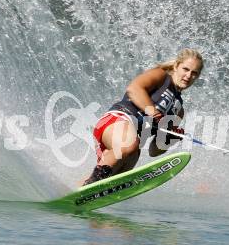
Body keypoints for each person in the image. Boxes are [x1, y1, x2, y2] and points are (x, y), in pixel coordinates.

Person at [83, 48, 204, 185]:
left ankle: (79, 192)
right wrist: (152, 111)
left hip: (131, 145)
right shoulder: (161, 76)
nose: (188, 76)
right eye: (185, 69)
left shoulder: (179, 110)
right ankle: (93, 181)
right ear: (176, 66)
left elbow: (154, 149)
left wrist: (171, 139)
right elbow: (134, 89)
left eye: (194, 73)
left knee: (121, 169)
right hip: (116, 121)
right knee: (130, 145)